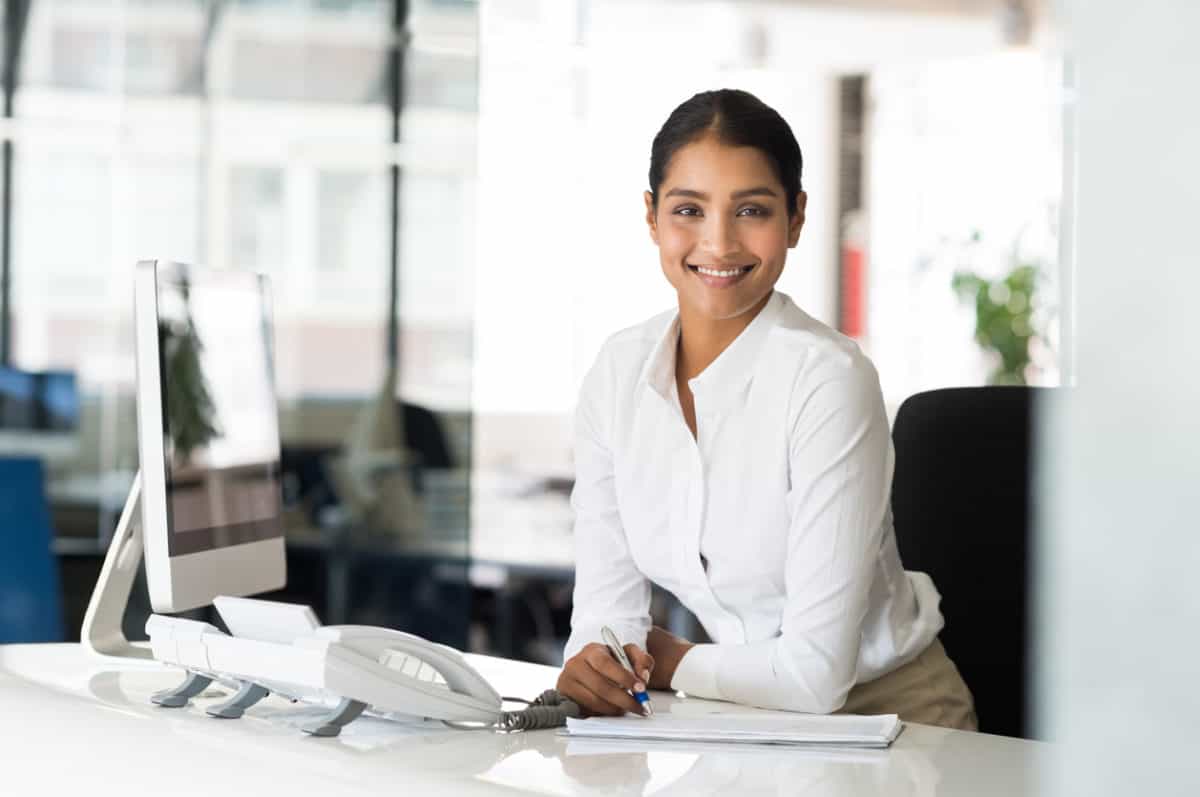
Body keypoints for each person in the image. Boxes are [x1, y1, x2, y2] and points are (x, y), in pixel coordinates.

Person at [556, 89, 976, 730]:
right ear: (651, 218)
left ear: (796, 218)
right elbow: (607, 619)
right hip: (743, 714)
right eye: (688, 209)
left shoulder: (827, 381)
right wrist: (598, 662)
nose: (718, 243)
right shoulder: (618, 374)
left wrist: (669, 664)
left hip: (896, 721)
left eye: (751, 209)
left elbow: (814, 677)